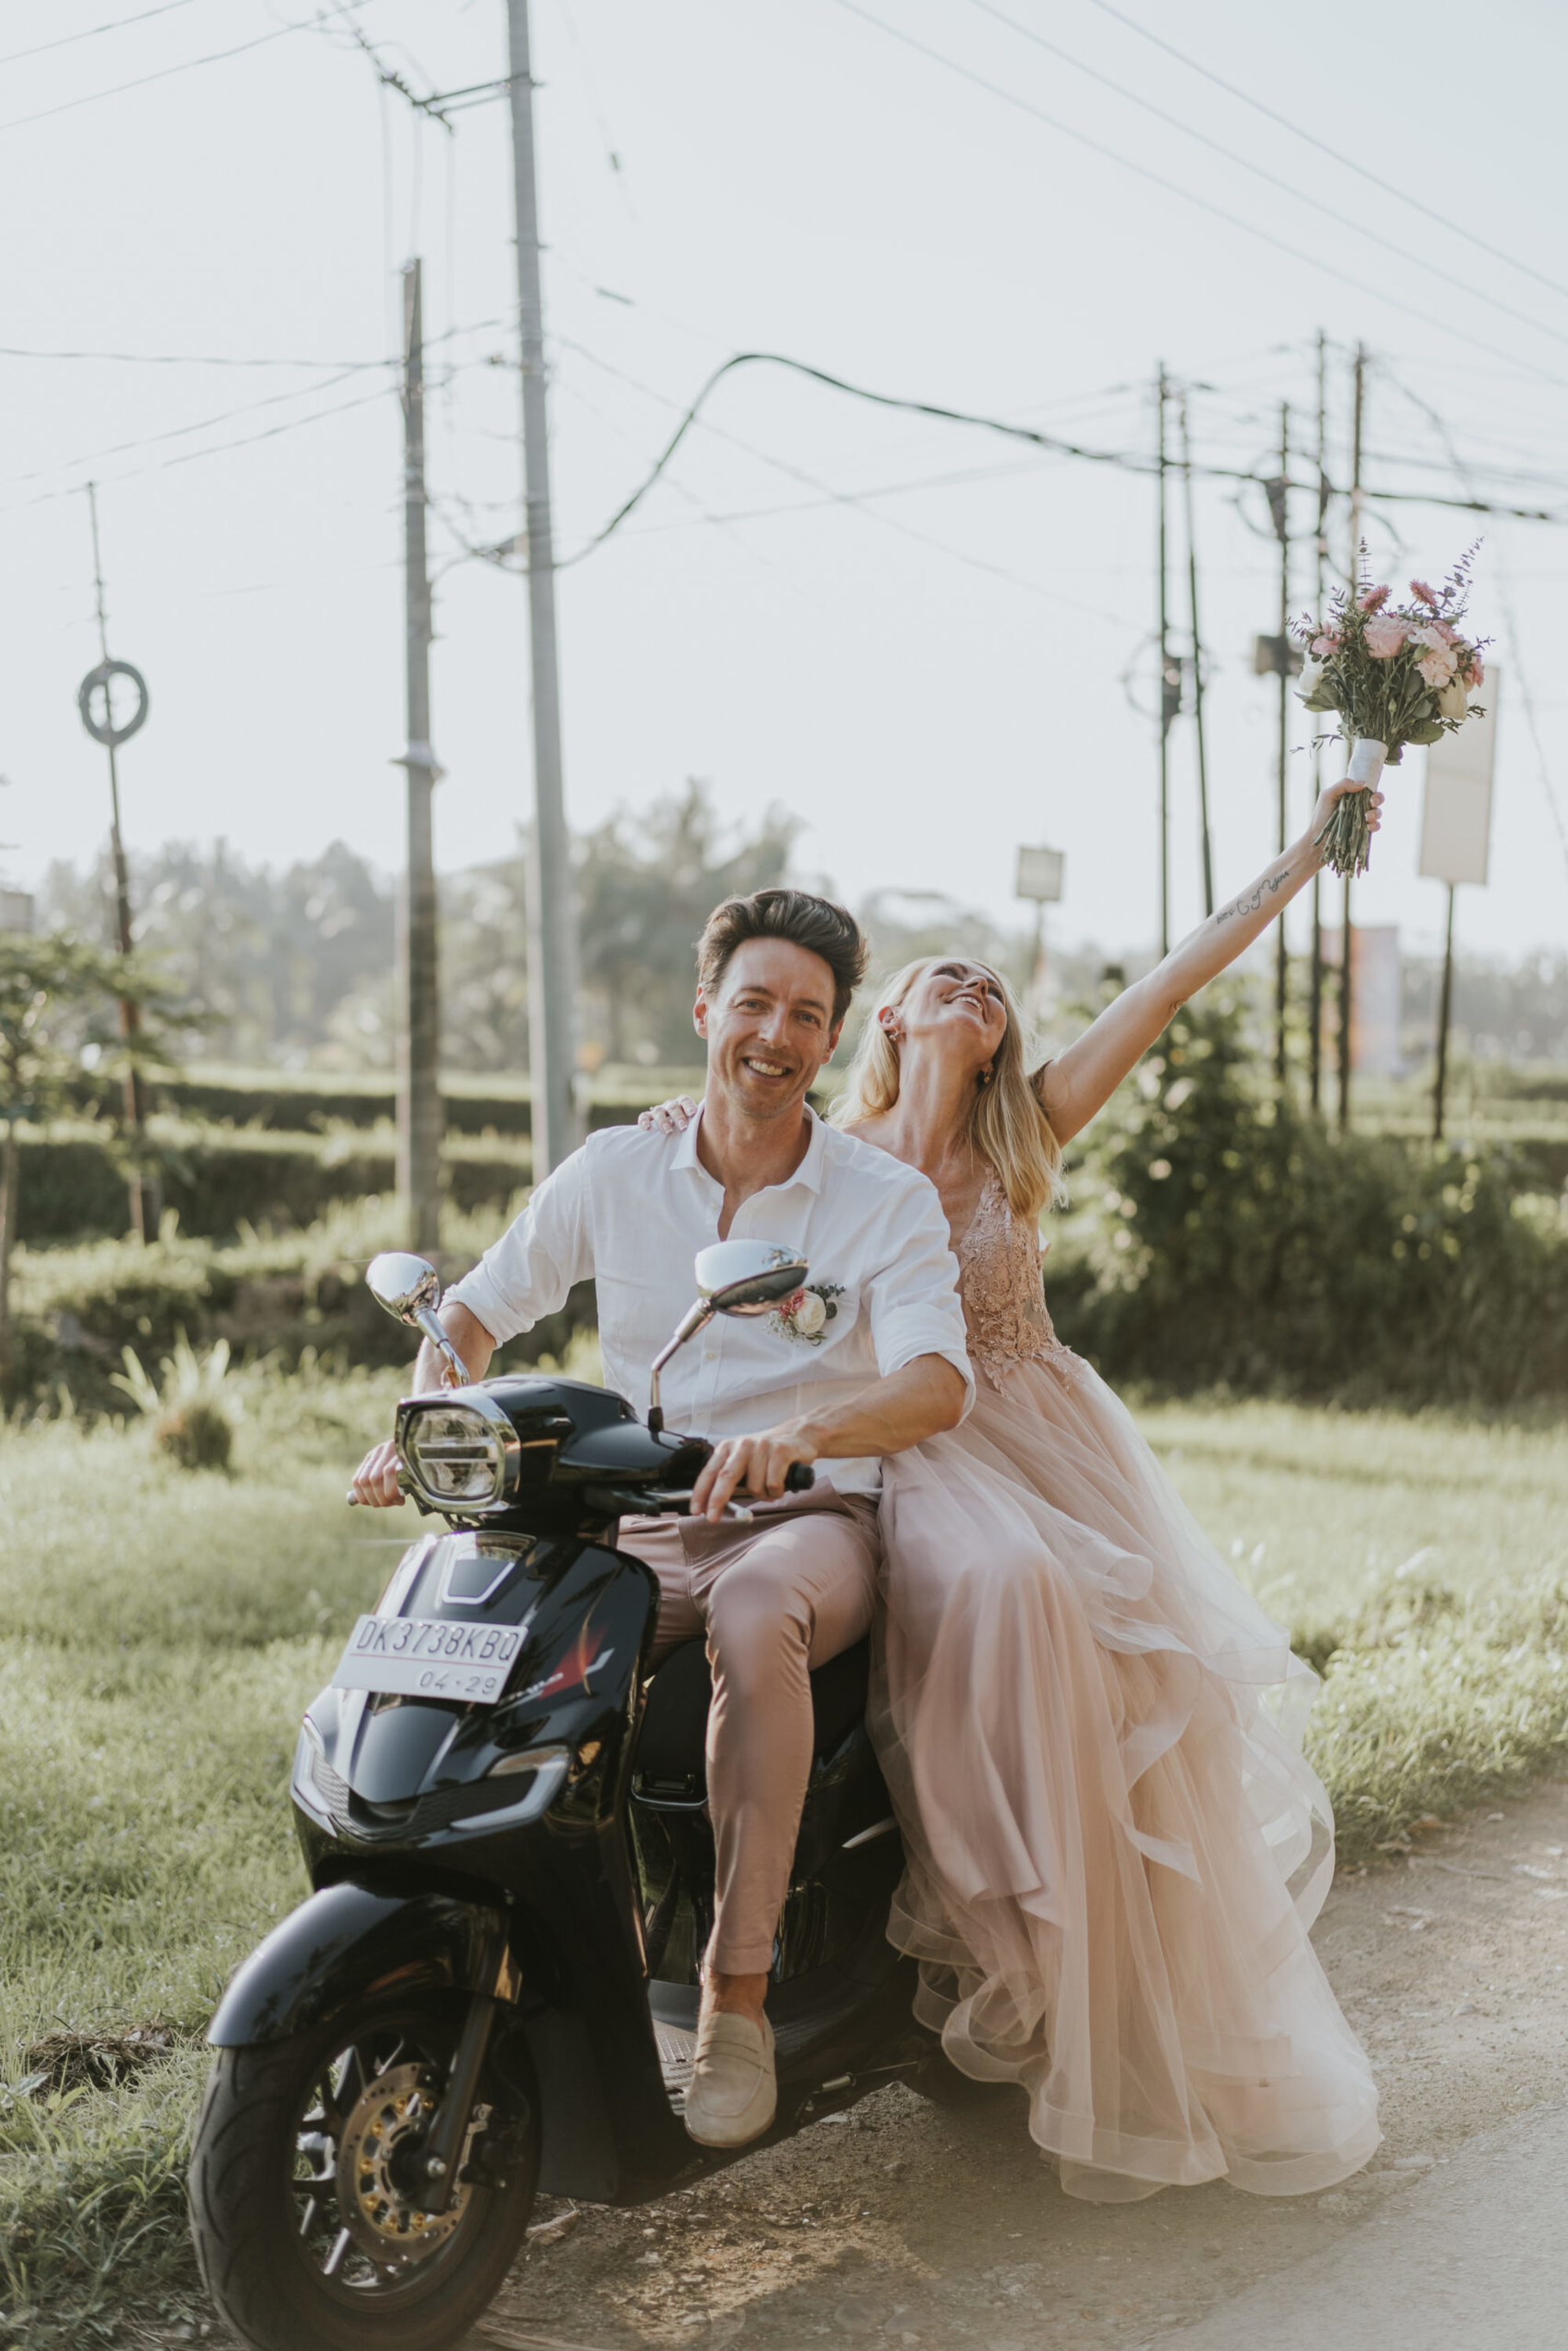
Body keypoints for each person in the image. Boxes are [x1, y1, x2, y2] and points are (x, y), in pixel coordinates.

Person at [637, 778, 1385, 2201]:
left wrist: (1305, 850)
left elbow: (1172, 981)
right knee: (970, 1594)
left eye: (988, 978)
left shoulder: (1027, 1129)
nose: (970, 977)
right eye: (937, 973)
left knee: (1081, 1643)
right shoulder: (831, 1161)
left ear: (998, 1037)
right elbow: (716, 1148)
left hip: (1032, 1441)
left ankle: (1096, 1975)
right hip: (885, 1440)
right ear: (893, 1025)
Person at [350, 887, 972, 2150]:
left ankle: (734, 2003)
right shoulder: (620, 1167)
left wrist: (802, 1434)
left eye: (807, 1014)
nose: (775, 1033)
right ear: (707, 1011)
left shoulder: (881, 1201)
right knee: (472, 1614)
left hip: (804, 1526)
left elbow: (936, 1382)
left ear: (833, 1038)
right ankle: (484, 1934)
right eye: (753, 1003)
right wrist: (430, 1413)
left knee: (755, 1605)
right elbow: (467, 1315)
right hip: (630, 1520)